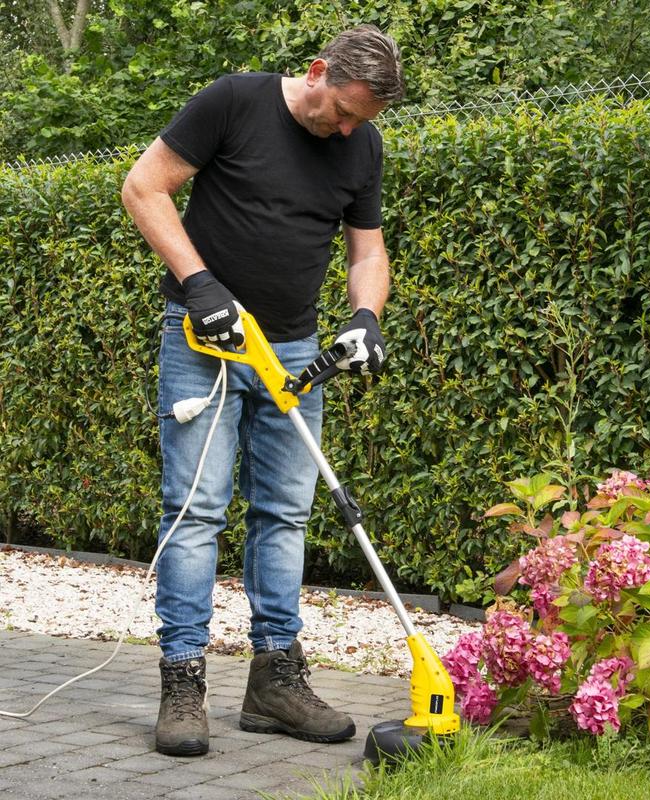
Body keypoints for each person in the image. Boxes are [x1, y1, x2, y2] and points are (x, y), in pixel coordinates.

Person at [121, 25, 405, 757]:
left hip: (295, 351)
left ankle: (275, 683)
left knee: (284, 513)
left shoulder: (362, 146)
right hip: (204, 339)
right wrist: (199, 284)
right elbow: (144, 187)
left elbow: (368, 251)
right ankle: (183, 682)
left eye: (362, 120)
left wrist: (367, 315)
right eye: (344, 111)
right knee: (196, 512)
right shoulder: (234, 102)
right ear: (318, 71)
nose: (348, 129)